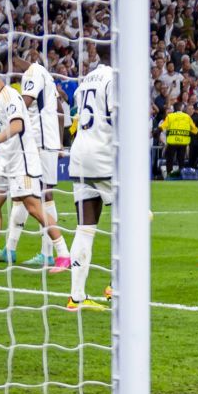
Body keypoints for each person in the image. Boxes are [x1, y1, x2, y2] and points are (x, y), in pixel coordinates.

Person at [0, 57, 70, 273]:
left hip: (22, 160)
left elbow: (17, 124)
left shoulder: (11, 96)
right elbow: (2, 123)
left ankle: (63, 254)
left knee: (35, 206)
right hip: (7, 160)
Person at [66, 45, 114, 309]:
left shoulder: (85, 80)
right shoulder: (115, 78)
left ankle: (77, 297)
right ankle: (117, 287)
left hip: (79, 155)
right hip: (103, 156)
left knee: (85, 227)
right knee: (131, 222)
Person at [158, 102, 197, 177]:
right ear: (181, 108)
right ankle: (182, 174)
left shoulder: (170, 116)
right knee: (181, 160)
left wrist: (156, 131)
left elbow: (162, 127)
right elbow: (194, 130)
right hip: (183, 142)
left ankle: (169, 174)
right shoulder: (187, 117)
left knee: (170, 159)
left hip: (172, 141)